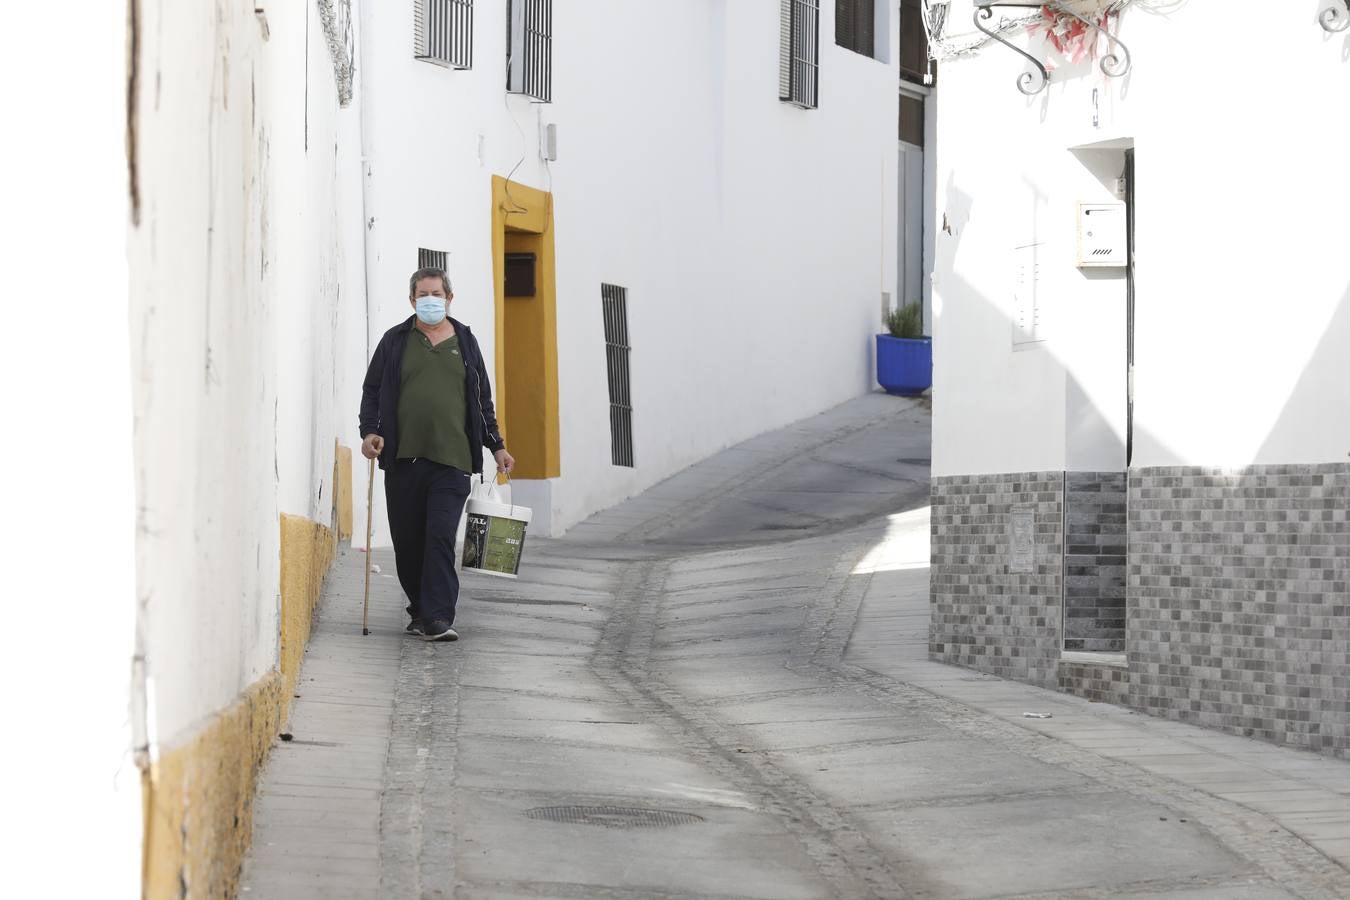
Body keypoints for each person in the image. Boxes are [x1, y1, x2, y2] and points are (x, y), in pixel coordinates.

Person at [359, 266, 514, 641]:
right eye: (423, 295)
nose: (431, 301)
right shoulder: (395, 341)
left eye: (437, 294)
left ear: (449, 297)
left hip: (453, 459)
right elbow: (373, 392)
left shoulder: (465, 340)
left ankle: (439, 617)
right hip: (404, 459)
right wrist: (370, 433)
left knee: (440, 536)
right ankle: (419, 609)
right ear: (412, 300)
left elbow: (481, 399)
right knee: (409, 542)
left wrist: (497, 445)